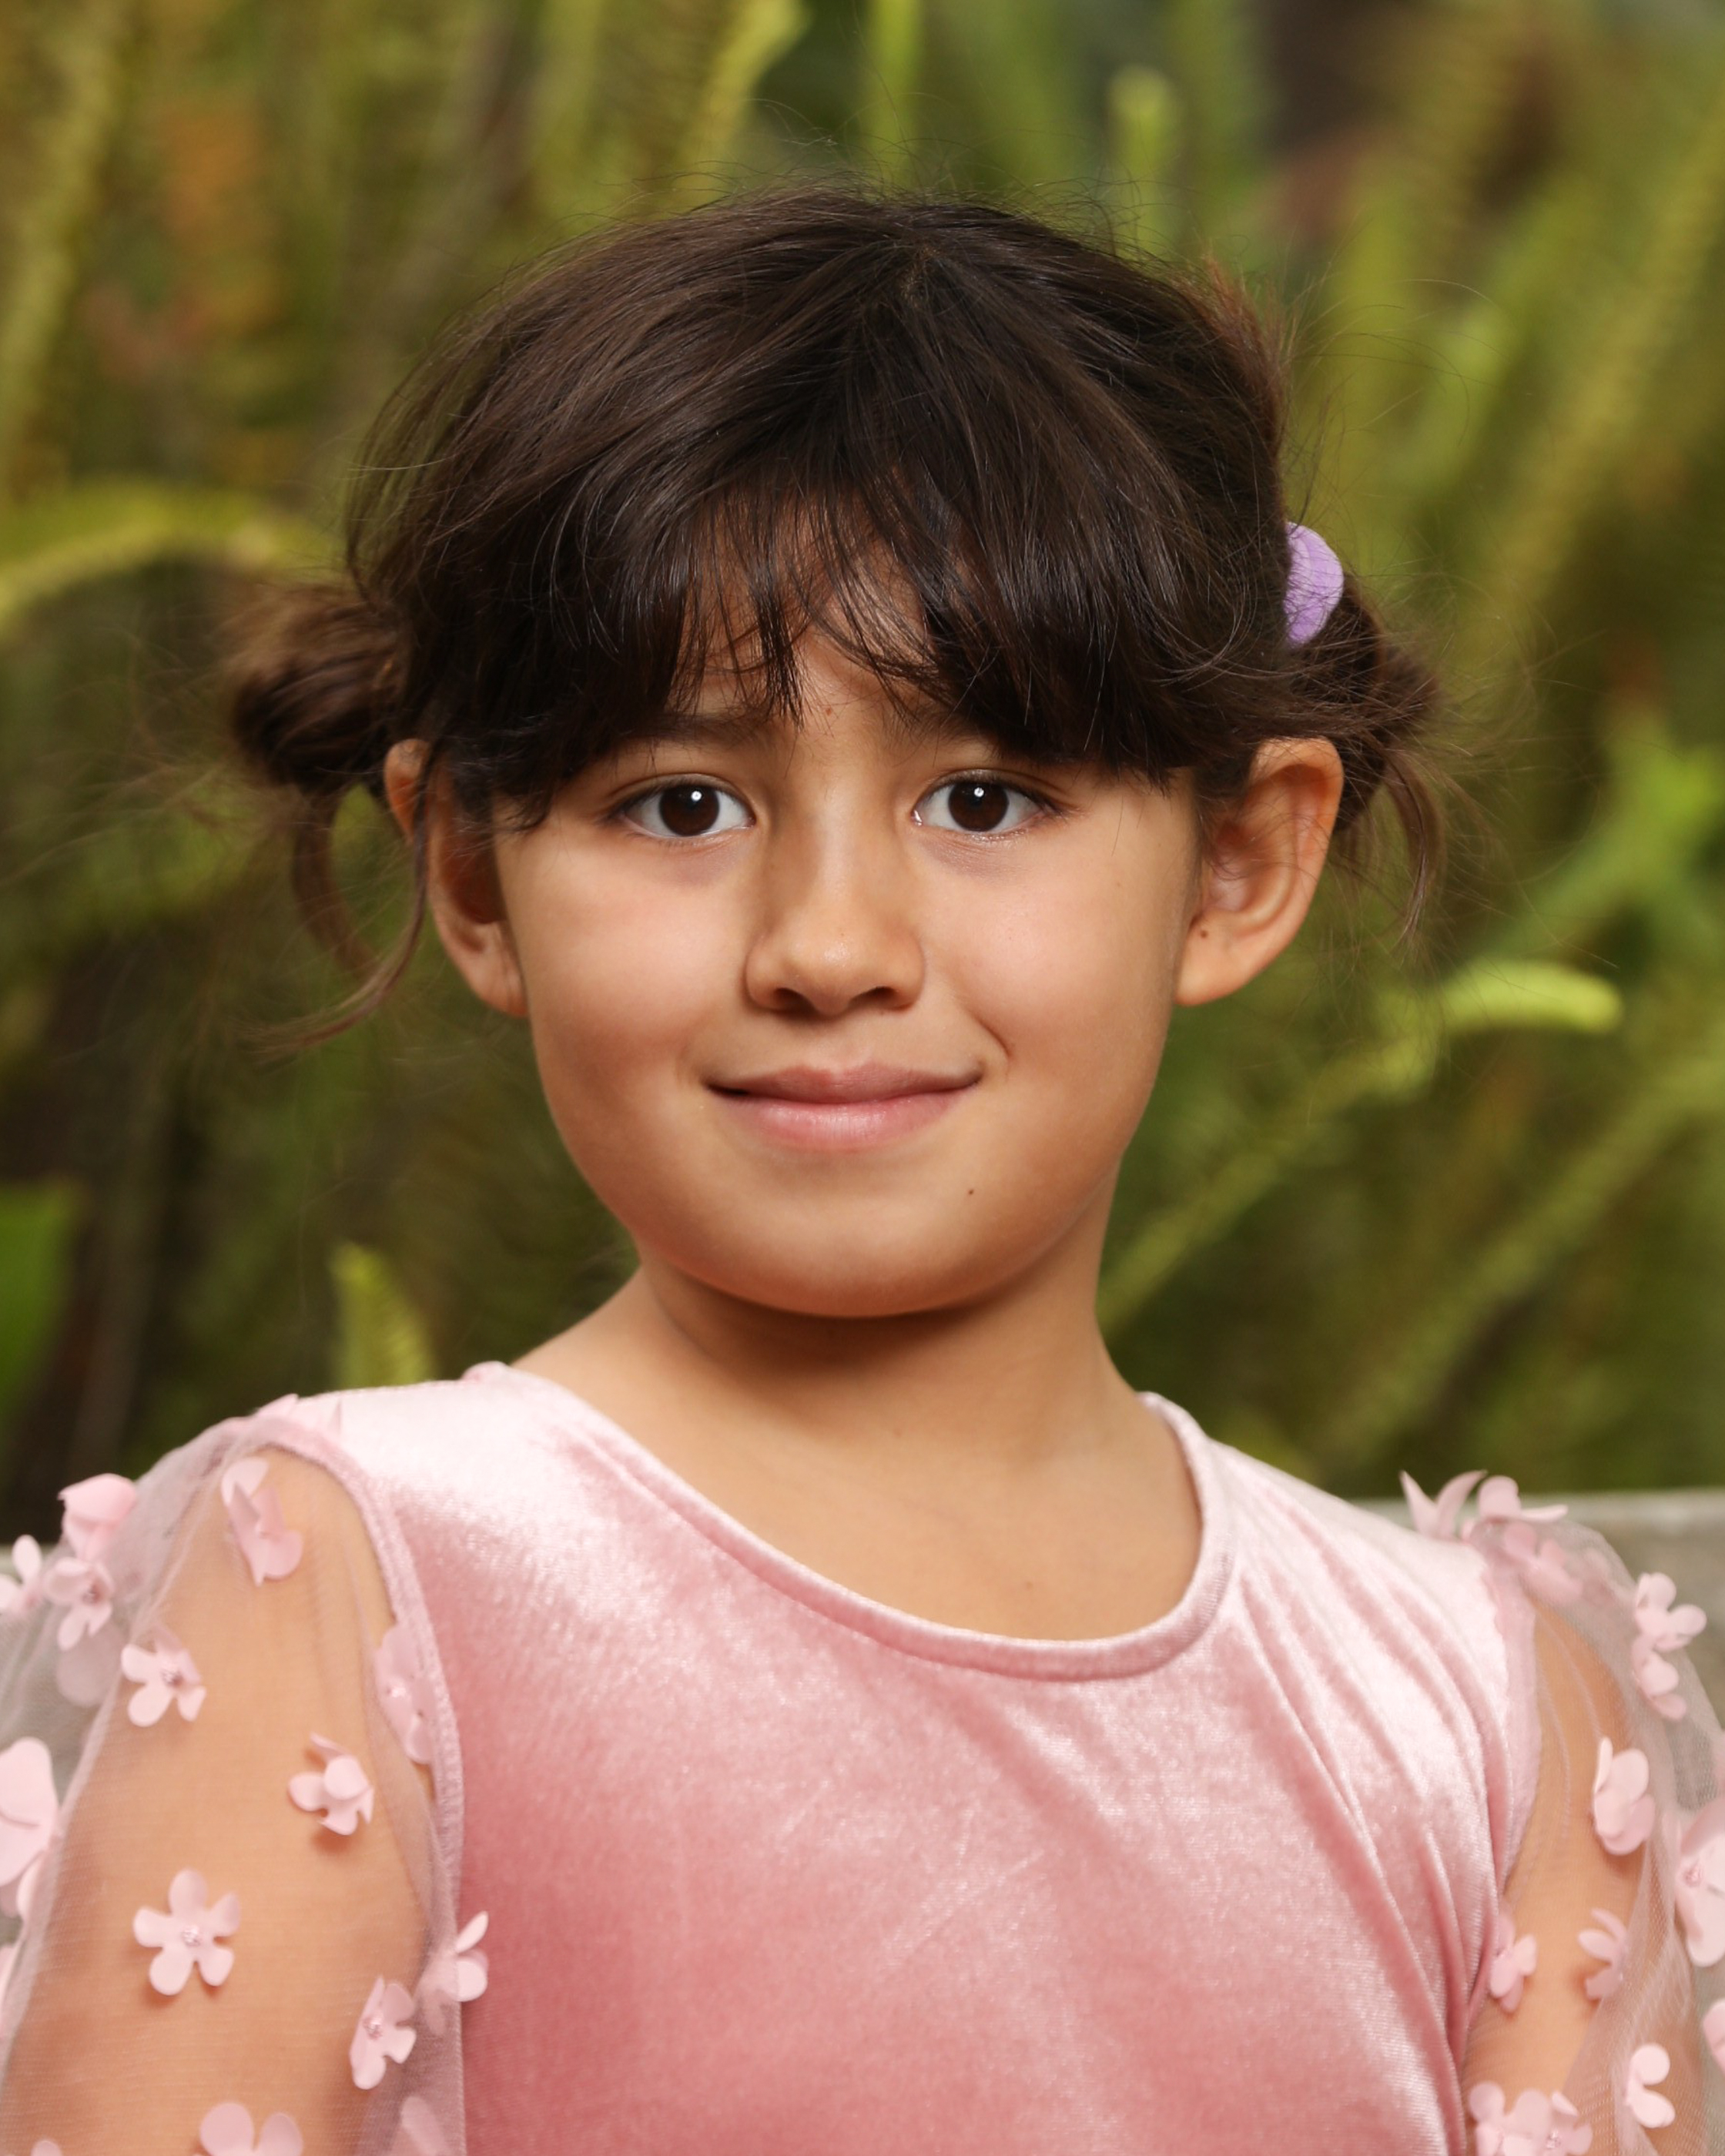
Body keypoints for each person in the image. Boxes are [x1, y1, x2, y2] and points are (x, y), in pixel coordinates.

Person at [0, 188, 1717, 2156]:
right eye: (682, 803)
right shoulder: (357, 1586)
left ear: (1241, 863)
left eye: (983, 797)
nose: (829, 944)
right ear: (471, 872)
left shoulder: (1483, 1716)